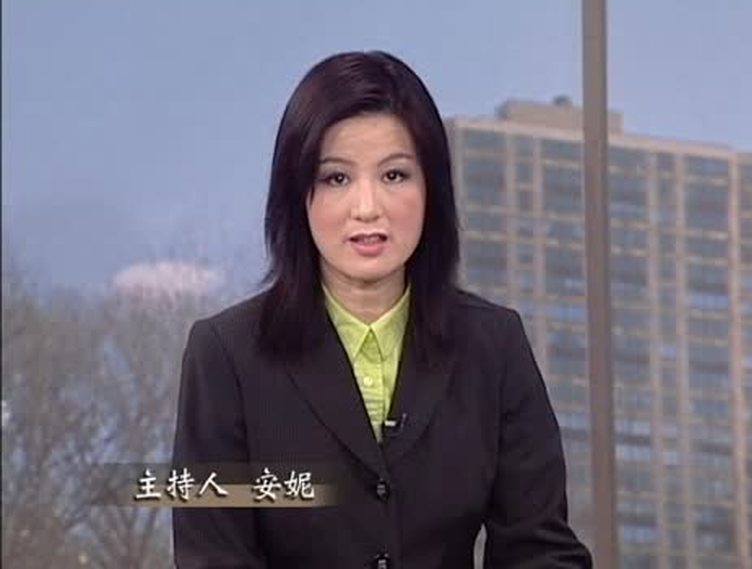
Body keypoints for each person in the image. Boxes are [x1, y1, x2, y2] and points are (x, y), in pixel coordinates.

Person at [172, 50, 592, 568]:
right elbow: (214, 557)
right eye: (336, 178)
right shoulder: (225, 356)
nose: (367, 208)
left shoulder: (493, 346)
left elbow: (540, 551)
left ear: (432, 188)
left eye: (394, 175)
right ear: (296, 194)